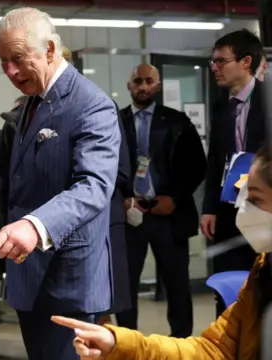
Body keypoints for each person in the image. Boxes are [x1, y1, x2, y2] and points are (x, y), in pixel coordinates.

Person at [53, 144, 272, 360]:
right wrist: (119, 344)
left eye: (255, 199)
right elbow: (215, 350)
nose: (243, 209)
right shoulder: (263, 270)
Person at [0, 8, 120, 360]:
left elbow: (94, 186)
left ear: (49, 50)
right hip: (29, 273)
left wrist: (36, 224)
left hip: (67, 279)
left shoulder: (92, 106)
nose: (10, 72)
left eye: (17, 59)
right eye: (3, 62)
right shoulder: (32, 100)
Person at [115, 64, 206, 337]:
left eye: (149, 81)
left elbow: (197, 167)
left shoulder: (178, 122)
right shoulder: (115, 122)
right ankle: (128, 343)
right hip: (131, 215)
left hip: (169, 215)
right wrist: (122, 199)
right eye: (137, 81)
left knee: (177, 285)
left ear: (158, 85)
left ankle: (181, 341)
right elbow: (103, 167)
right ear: (129, 86)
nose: (143, 86)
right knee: (126, 285)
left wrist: (175, 198)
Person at [200, 29, 267, 317]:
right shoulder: (220, 106)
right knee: (225, 293)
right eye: (212, 61)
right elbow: (216, 160)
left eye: (221, 61)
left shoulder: (269, 100)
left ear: (246, 62)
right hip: (228, 211)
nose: (214, 68)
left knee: (264, 288)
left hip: (265, 210)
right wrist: (208, 208)